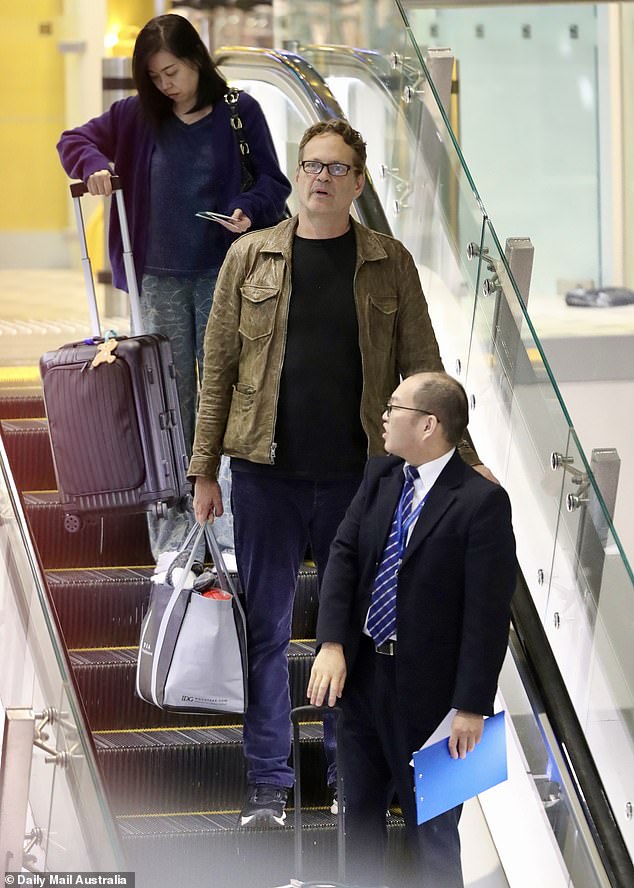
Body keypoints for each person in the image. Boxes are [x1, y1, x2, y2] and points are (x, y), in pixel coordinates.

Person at [189, 119, 492, 829]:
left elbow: (425, 368)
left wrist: (464, 456)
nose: (320, 177)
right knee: (264, 630)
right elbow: (218, 370)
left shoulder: (389, 263)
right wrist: (203, 468)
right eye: (310, 164)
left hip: (365, 482)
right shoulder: (250, 257)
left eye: (336, 167)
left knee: (353, 632)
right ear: (298, 175)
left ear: (358, 183)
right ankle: (268, 782)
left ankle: (349, 778)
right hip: (265, 476)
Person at [57, 13, 291, 556]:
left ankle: (229, 533)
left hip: (224, 274)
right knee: (168, 402)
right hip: (158, 280)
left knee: (223, 396)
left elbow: (275, 184)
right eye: (156, 77)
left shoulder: (238, 113)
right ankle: (174, 537)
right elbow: (74, 140)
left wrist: (246, 209)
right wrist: (94, 164)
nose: (167, 86)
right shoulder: (138, 117)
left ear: (197, 61)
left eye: (174, 73)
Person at [307, 371, 516, 888]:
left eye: (394, 406)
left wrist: (471, 705)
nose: (384, 415)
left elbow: (488, 614)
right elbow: (344, 556)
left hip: (439, 703)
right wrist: (332, 642)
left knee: (435, 836)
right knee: (357, 822)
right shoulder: (380, 476)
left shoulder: (482, 501)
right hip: (365, 680)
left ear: (429, 425)